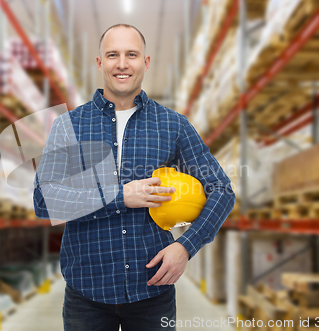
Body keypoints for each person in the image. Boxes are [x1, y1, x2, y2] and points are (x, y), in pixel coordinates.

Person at [33, 24, 235, 331]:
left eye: (132, 54)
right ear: (100, 62)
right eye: (113, 55)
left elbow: (221, 189)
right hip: (86, 292)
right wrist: (119, 197)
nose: (122, 64)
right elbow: (44, 200)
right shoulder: (69, 125)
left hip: (152, 290)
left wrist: (186, 247)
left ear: (146, 62)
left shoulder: (173, 125)